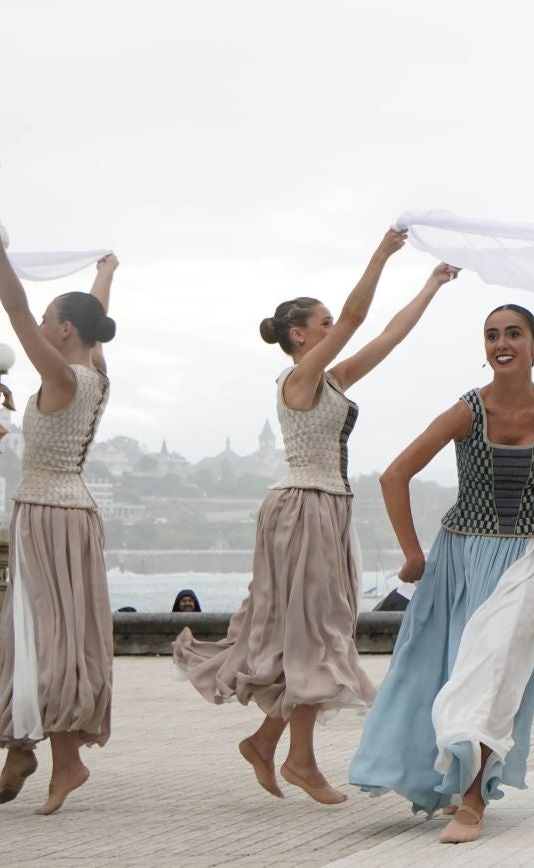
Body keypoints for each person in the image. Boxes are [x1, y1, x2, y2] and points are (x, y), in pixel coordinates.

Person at [173, 228, 456, 805]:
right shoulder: (299, 380)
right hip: (303, 507)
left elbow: (388, 337)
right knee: (313, 634)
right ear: (299, 337)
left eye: (330, 323)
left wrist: (430, 285)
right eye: (322, 325)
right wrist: (381, 254)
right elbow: (356, 319)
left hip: (326, 507)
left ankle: (270, 743)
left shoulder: (330, 380)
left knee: (314, 632)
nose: (334, 330)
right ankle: (297, 759)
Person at [349, 304, 534, 844]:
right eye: (492, 335)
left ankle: (473, 799)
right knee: (448, 669)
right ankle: (451, 780)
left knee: (492, 666)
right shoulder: (466, 411)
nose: (502, 343)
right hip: (459, 557)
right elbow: (394, 475)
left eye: (514, 334)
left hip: (528, 555)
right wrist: (412, 554)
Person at [0, 215, 119, 816]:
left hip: (46, 517)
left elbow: (14, 309)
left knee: (43, 635)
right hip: (71, 513)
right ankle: (23, 745)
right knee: (38, 634)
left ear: (64, 330)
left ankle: (65, 759)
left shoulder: (60, 376)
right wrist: (104, 274)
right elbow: (93, 316)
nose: (43, 324)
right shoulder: (96, 373)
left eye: (53, 319)